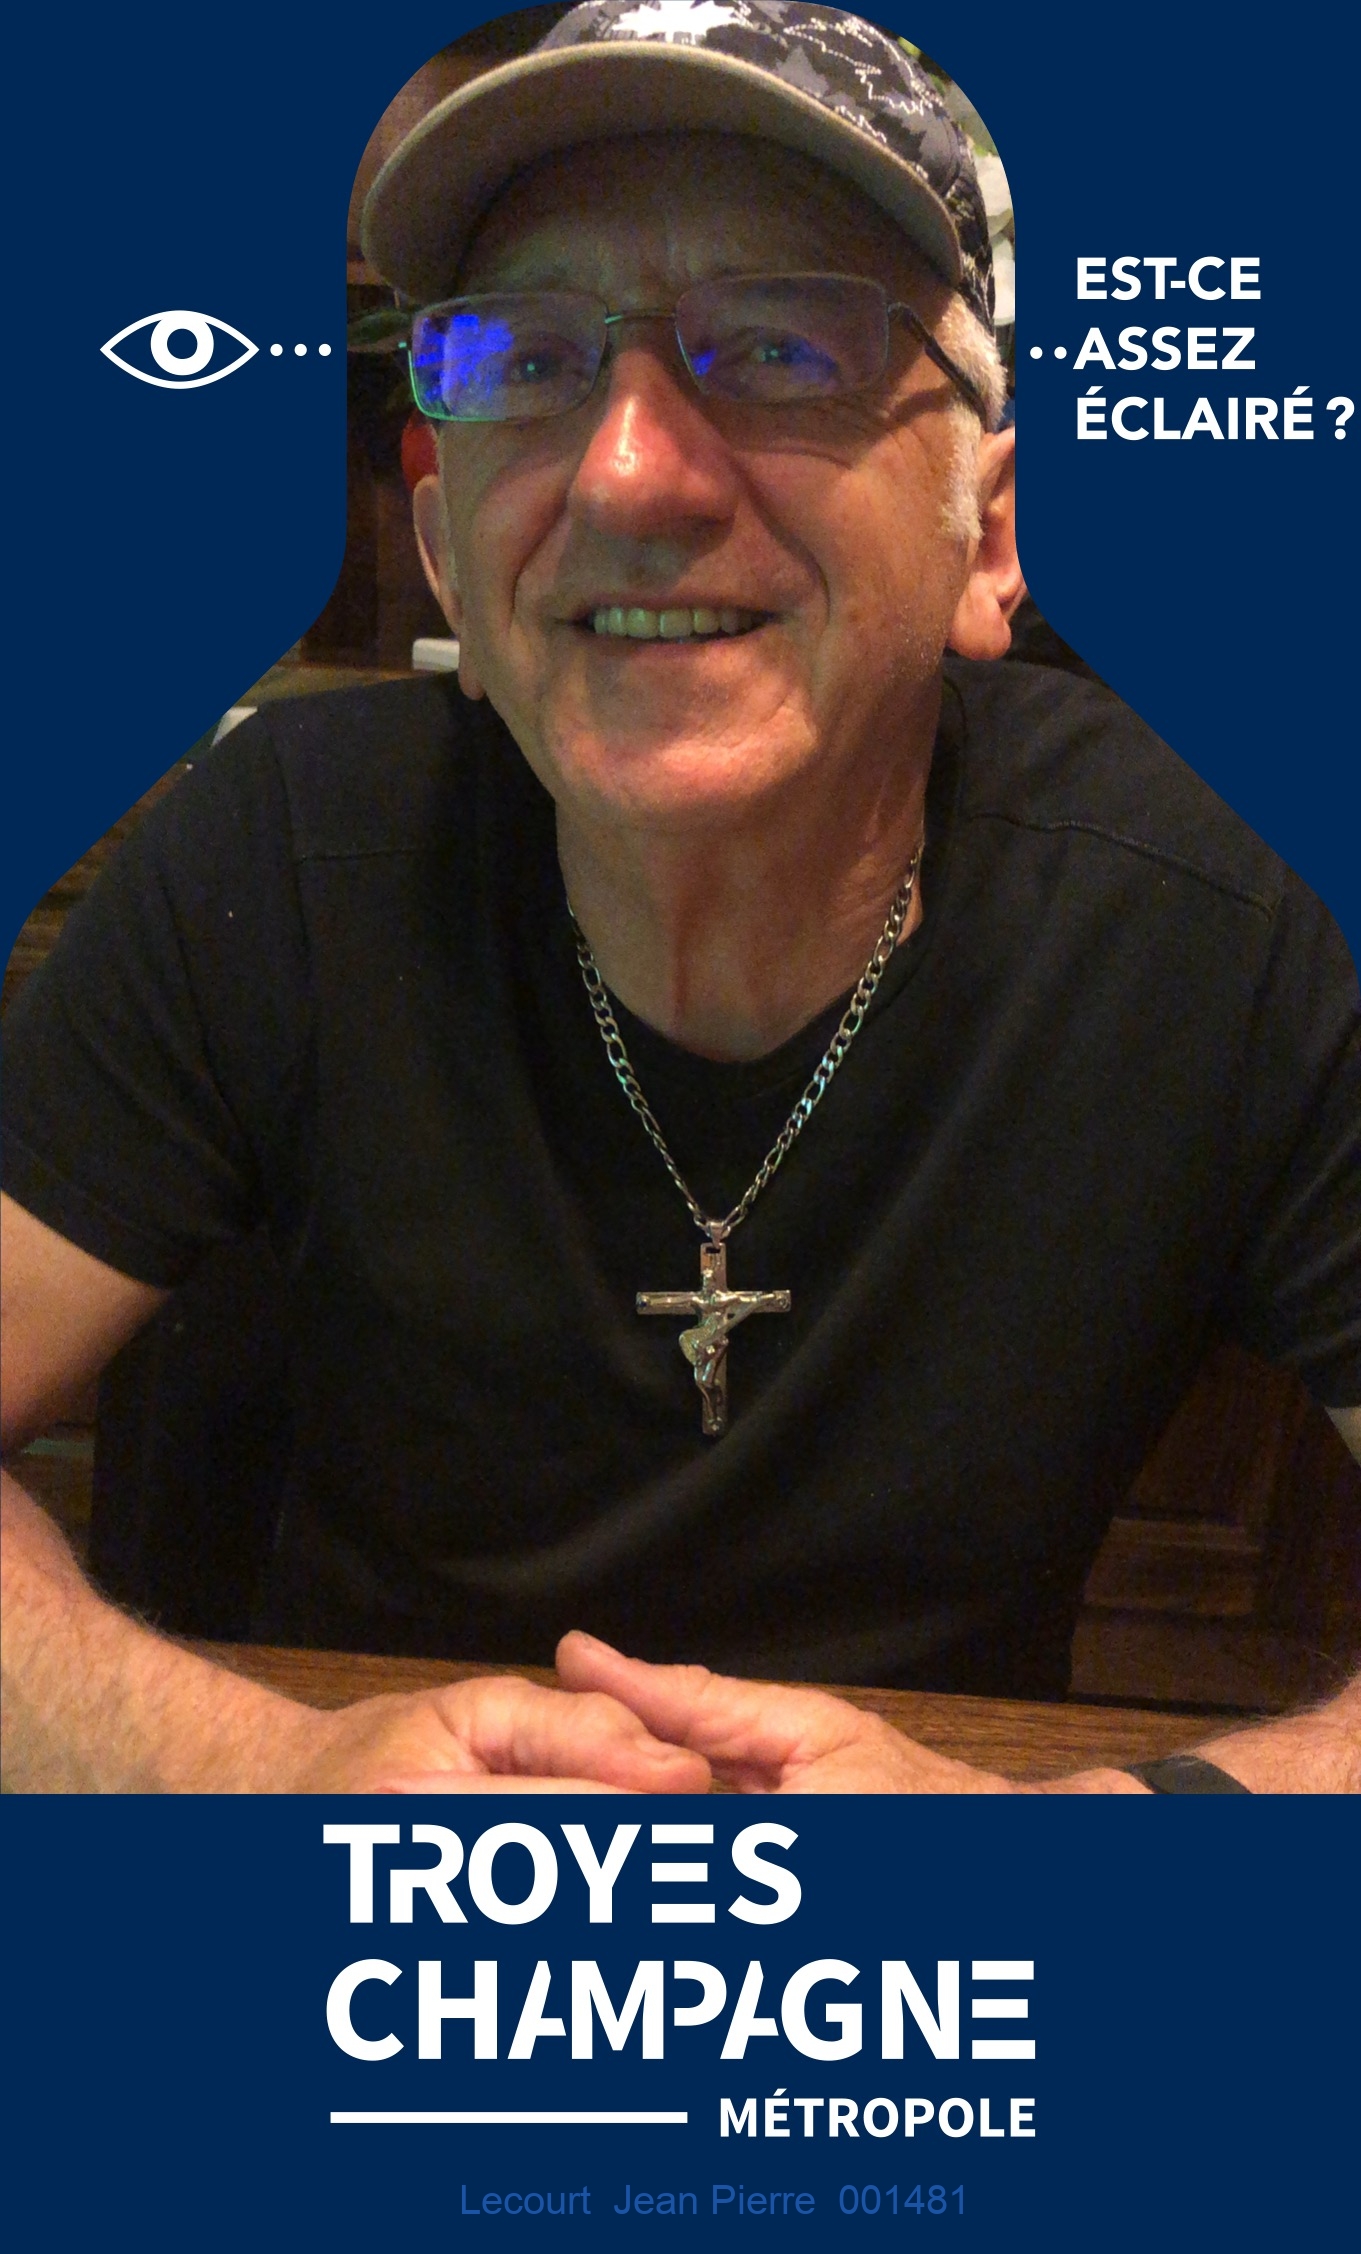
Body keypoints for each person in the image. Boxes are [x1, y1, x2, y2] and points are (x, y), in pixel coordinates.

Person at [2, 3, 1358, 1794]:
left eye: (785, 346)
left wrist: (1094, 1850)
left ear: (990, 537)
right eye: (527, 358)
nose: (630, 473)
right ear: (443, 549)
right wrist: (241, 1768)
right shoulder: (263, 856)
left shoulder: (1226, 923)